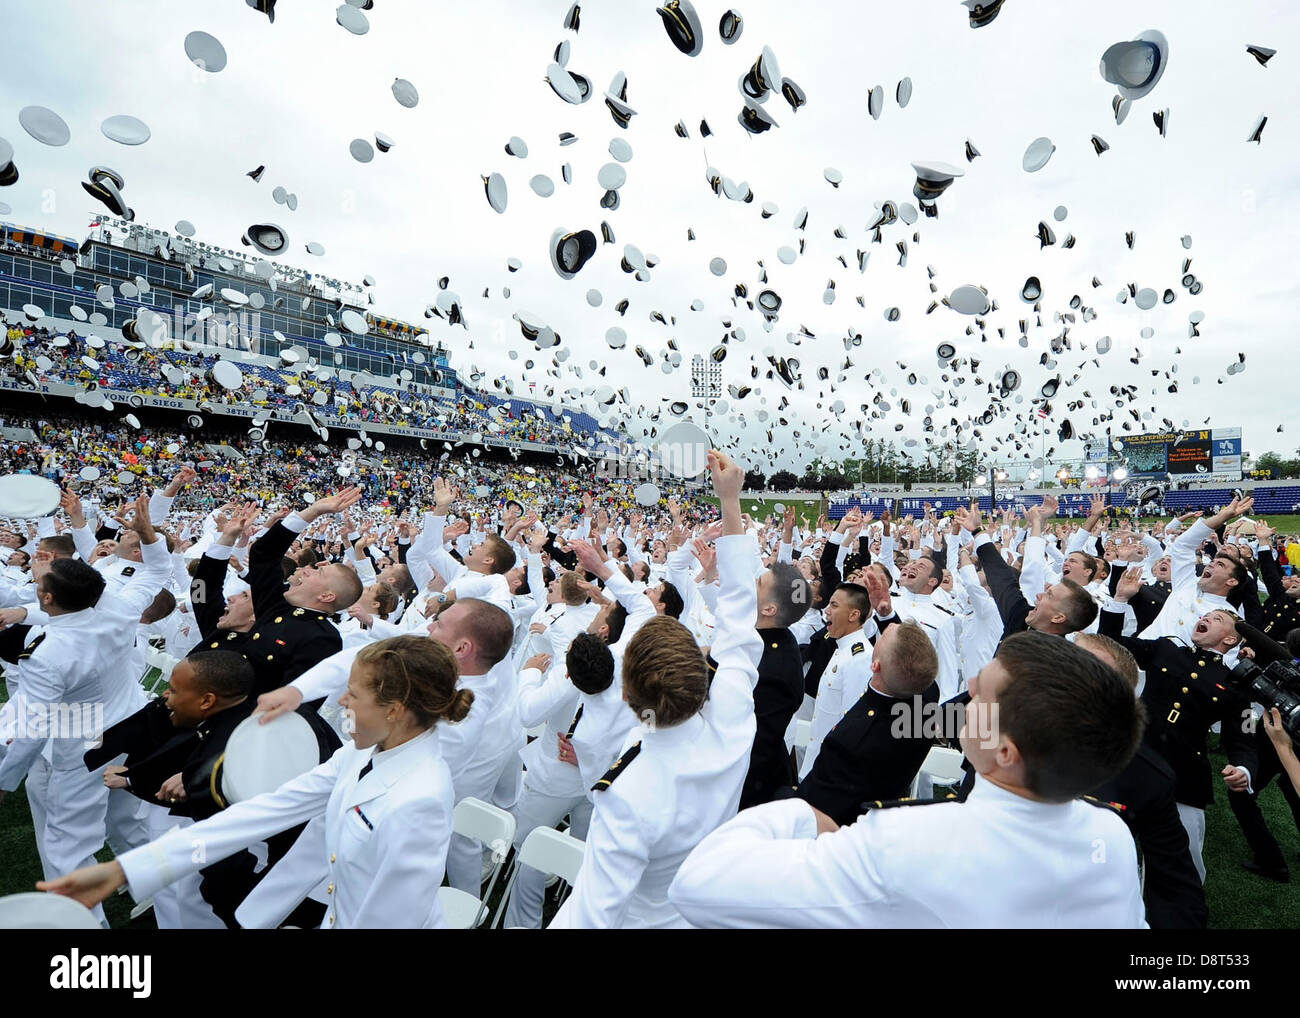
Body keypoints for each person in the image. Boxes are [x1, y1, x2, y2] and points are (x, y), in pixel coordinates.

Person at [667, 631, 1148, 929]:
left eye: (980, 697)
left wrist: (798, 813)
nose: (967, 695)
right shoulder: (1109, 835)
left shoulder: (905, 842)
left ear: (1005, 752)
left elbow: (698, 885)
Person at [39, 635, 472, 929]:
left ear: (394, 711)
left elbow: (392, 918)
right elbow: (260, 813)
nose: (341, 701)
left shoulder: (419, 799)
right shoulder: (359, 753)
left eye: (353, 694)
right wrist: (125, 869)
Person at [548, 449, 762, 928]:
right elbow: (741, 620)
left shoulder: (627, 791)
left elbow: (591, 915)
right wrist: (731, 503)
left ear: (626, 696)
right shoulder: (732, 719)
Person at [1075, 633, 1207, 929]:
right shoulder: (1008, 721)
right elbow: (950, 718)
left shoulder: (1144, 776)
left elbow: (1177, 890)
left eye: (1080, 666)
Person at [793, 621, 939, 826]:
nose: (886, 629)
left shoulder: (851, 743)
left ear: (875, 666)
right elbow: (923, 672)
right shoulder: (924, 714)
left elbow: (813, 805)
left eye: (884, 637)